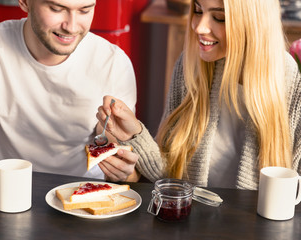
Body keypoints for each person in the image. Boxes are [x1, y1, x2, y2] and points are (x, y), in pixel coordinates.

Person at [0, 0, 138, 201]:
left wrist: (123, 168)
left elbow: (118, 150)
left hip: (82, 202)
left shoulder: (113, 63)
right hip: (7, 196)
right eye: (56, 9)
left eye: (84, 10)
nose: (71, 26)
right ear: (25, 2)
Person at [96, 0, 301, 190]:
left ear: (254, 23)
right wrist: (134, 135)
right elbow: (170, 176)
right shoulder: (191, 66)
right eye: (198, 10)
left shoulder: (289, 80)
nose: (199, 27)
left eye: (219, 17)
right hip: (190, 223)